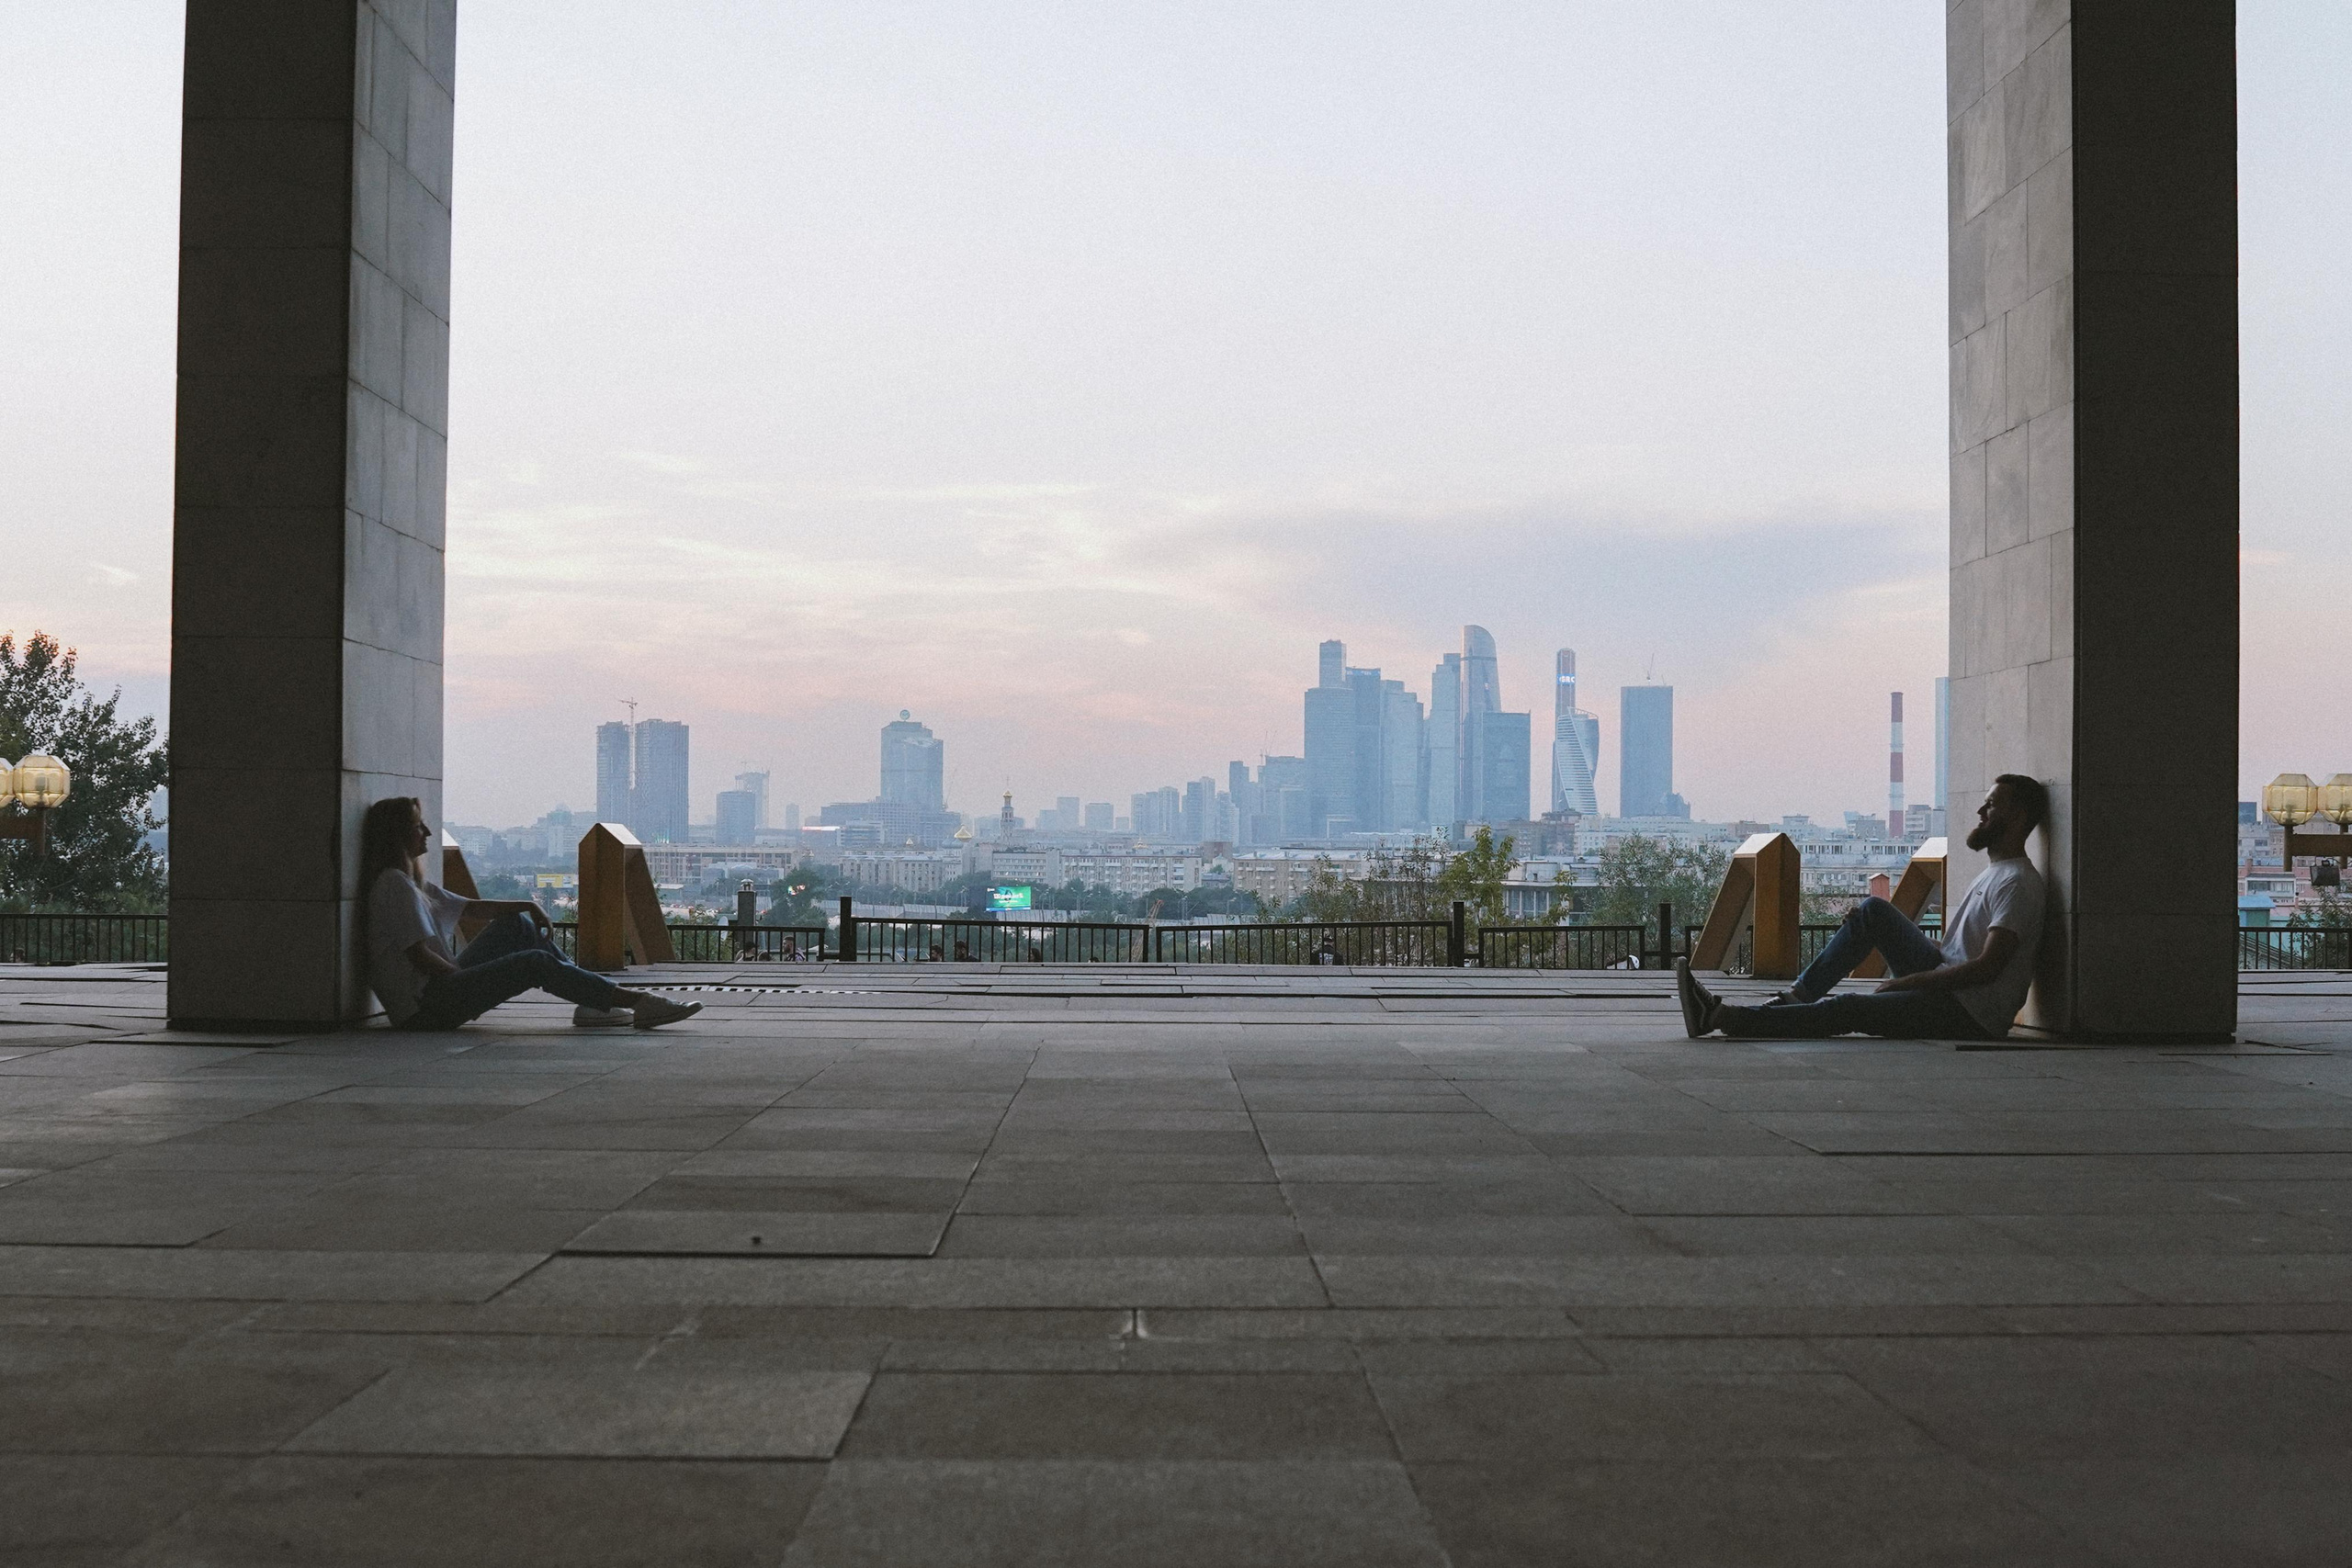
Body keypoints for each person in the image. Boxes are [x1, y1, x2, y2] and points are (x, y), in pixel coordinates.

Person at [1677, 773, 2049, 1042]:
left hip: (1968, 1014)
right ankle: (1794, 998)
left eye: (1993, 804)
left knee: (1849, 1007)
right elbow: (1959, 955)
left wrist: (1905, 983)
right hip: (1950, 990)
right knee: (1873, 911)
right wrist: (1884, 939)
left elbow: (1987, 968)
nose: (1982, 810)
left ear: (2017, 817)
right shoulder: (1996, 874)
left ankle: (1724, 1017)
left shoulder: (2017, 883)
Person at [360, 797, 702, 1032]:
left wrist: (527, 906)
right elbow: (417, 955)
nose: (428, 833)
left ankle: (595, 1000)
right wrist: (468, 981)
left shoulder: (411, 883)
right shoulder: (394, 885)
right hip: (425, 1008)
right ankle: (638, 1003)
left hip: (437, 991)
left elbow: (473, 908)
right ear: (397, 835)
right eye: (419, 826)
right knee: (533, 963)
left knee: (516, 927)